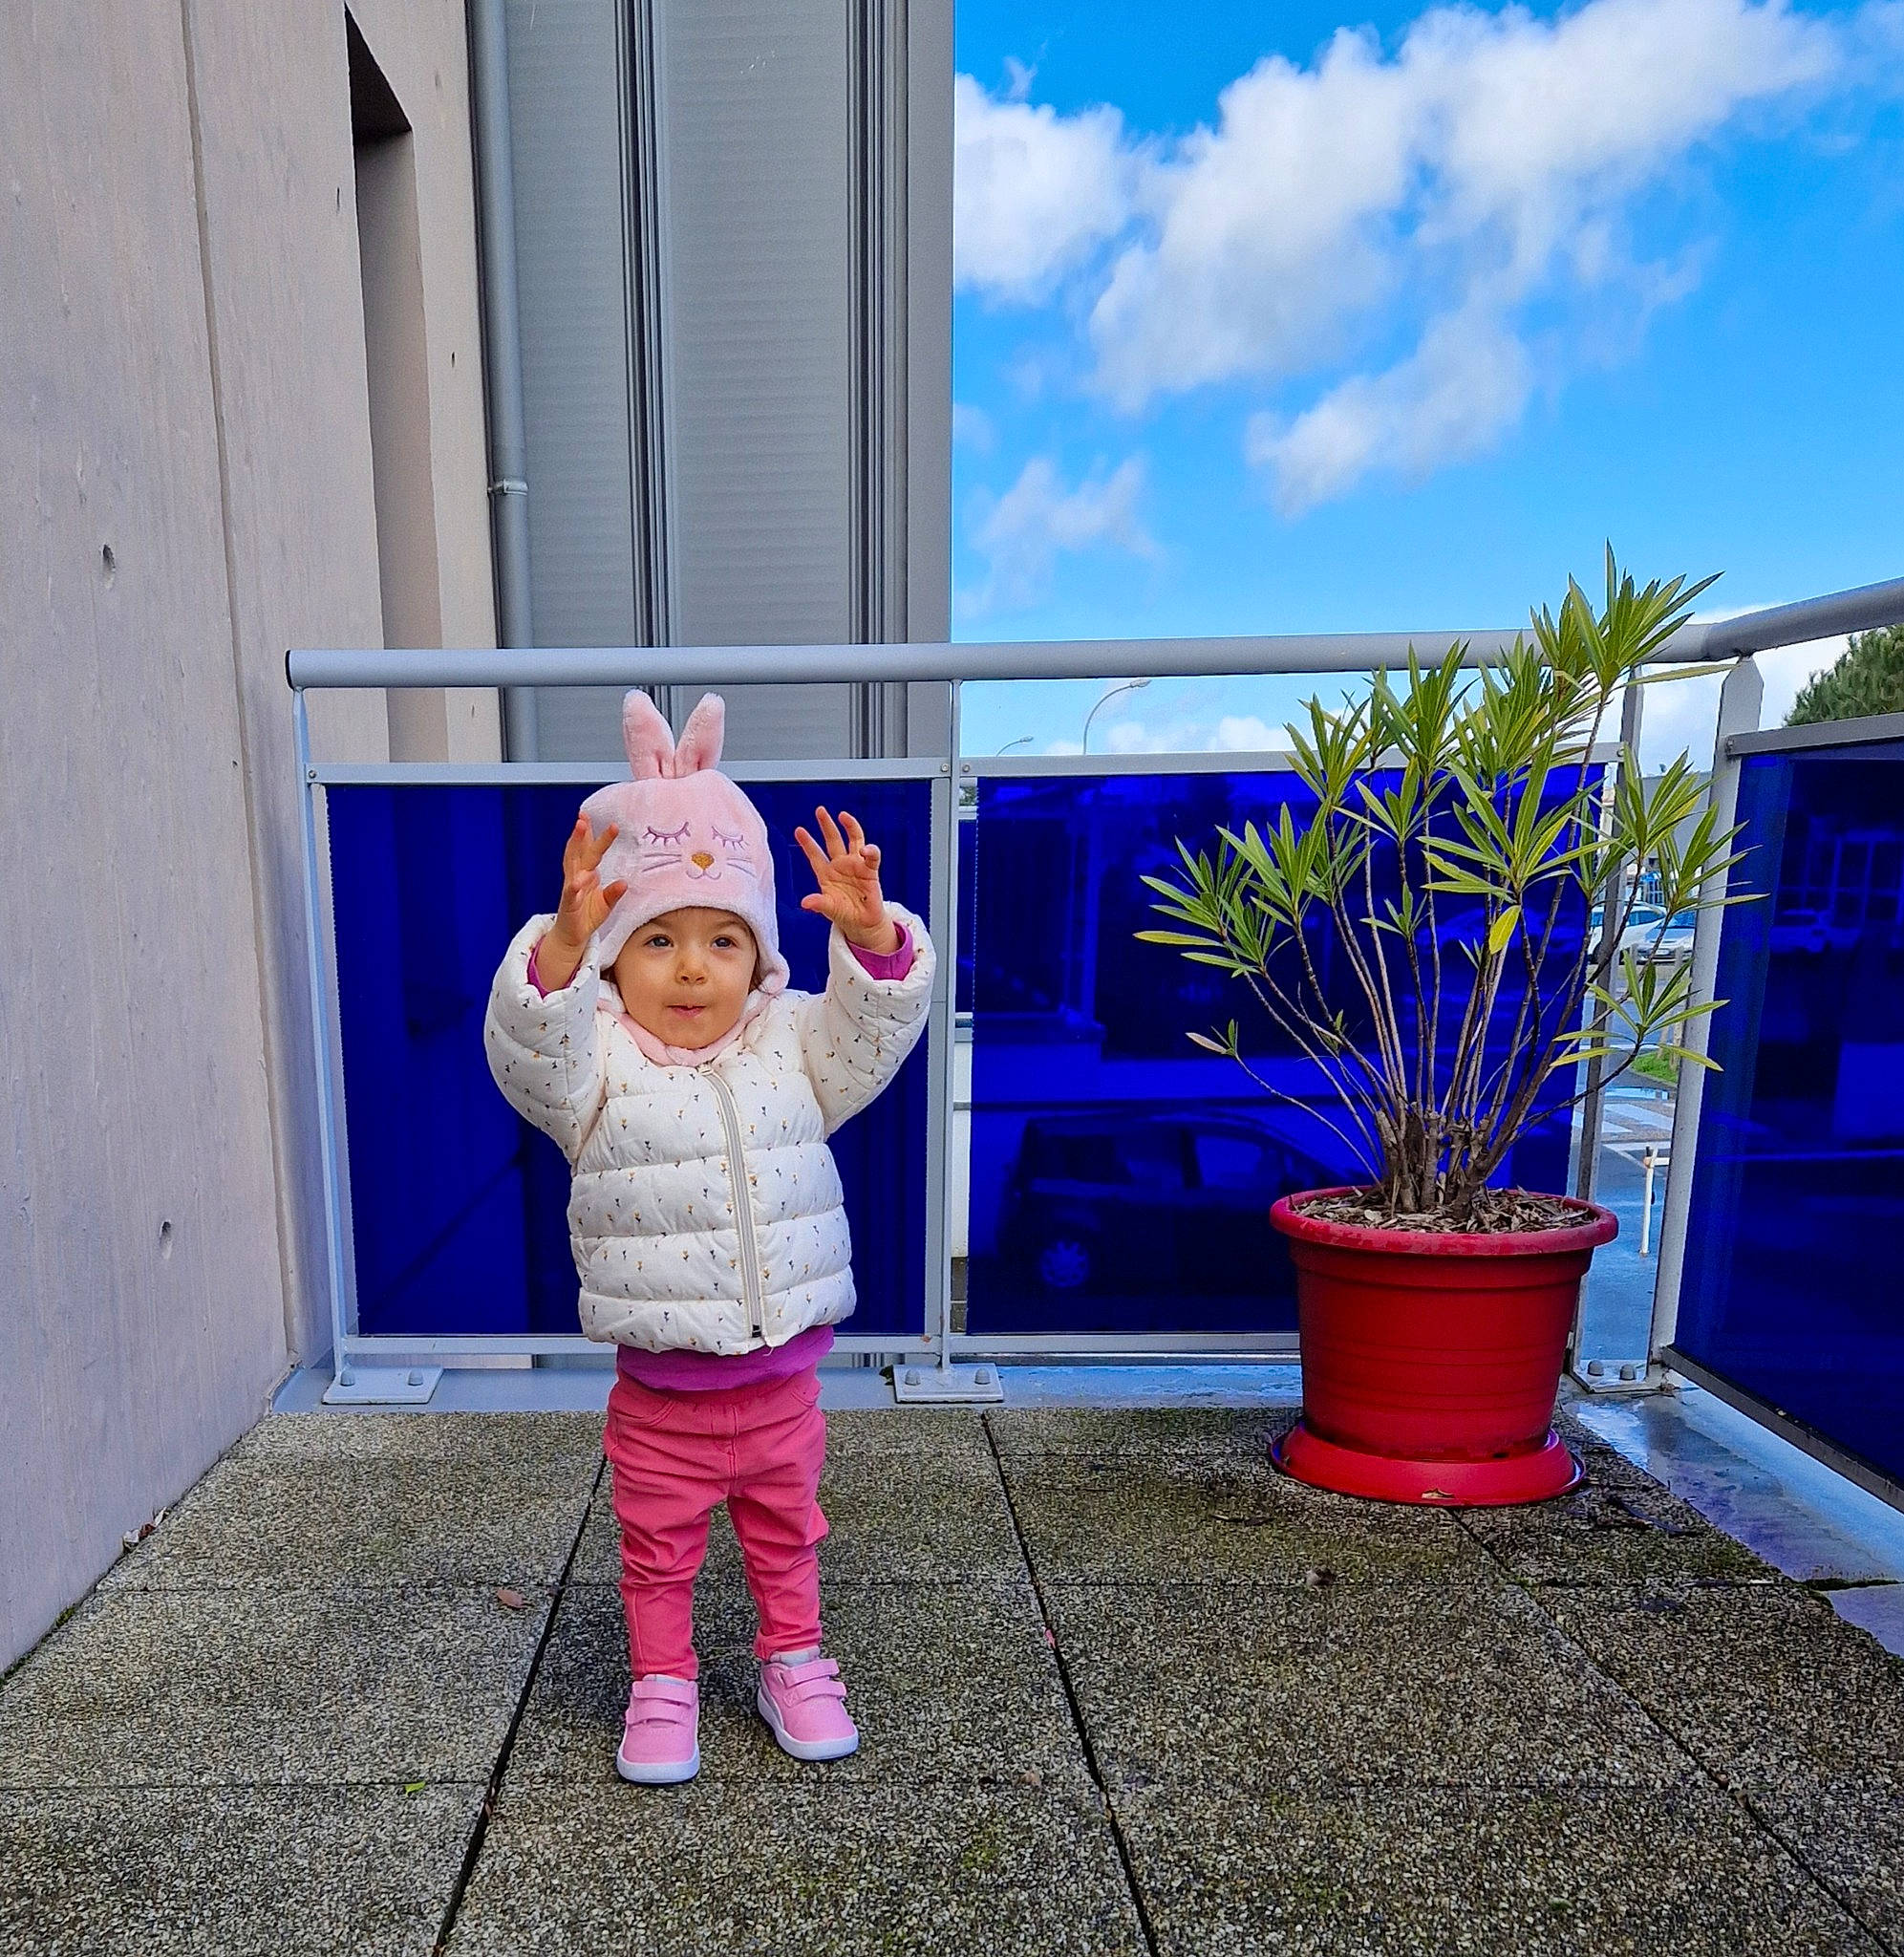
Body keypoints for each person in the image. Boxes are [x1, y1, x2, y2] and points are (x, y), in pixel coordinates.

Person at [484, 691, 933, 1784]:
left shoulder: (792, 1043)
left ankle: (794, 1657)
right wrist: (558, 949)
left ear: (758, 954)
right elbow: (525, 1051)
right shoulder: (593, 1061)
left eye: (723, 938)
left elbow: (873, 1035)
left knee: (789, 1533)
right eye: (659, 940)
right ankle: (664, 1681)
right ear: (615, 961)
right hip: (662, 1393)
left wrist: (873, 939)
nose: (693, 968)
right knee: (658, 1548)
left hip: (784, 1380)